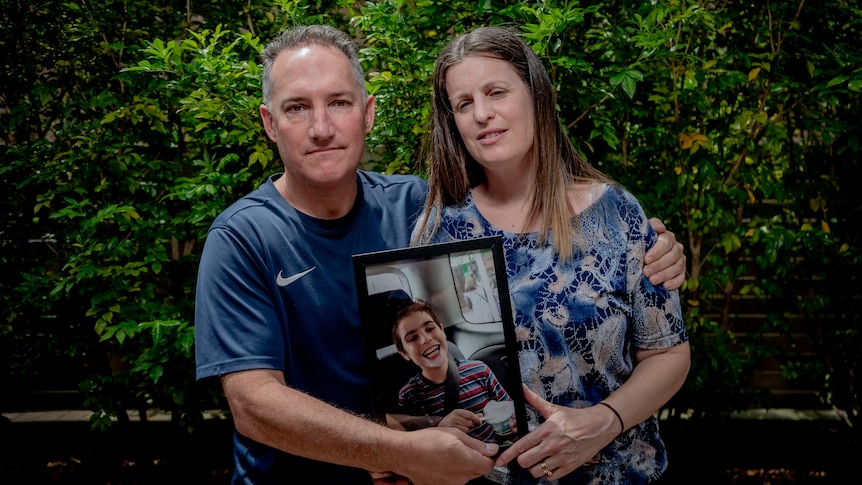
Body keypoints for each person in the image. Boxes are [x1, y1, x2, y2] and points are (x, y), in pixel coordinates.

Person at [194, 24, 686, 485]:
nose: (321, 127)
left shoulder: (418, 206)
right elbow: (254, 405)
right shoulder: (243, 238)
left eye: (338, 102)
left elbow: (535, 228)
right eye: (297, 107)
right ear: (269, 123)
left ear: (367, 113)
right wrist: (399, 449)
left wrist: (656, 246)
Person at [411, 26, 691, 484]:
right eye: (463, 104)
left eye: (496, 92)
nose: (482, 114)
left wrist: (603, 421)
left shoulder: (615, 214)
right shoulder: (441, 230)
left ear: (536, 96)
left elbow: (667, 353)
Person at [391, 299, 514, 445]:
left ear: (442, 331)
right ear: (404, 353)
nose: (425, 339)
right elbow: (416, 444)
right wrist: (441, 428)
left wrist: (514, 423)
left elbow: (509, 409)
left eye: (430, 329)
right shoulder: (409, 395)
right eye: (412, 338)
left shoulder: (479, 370)